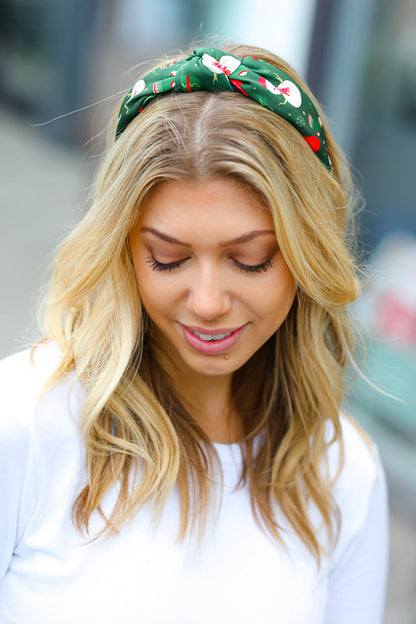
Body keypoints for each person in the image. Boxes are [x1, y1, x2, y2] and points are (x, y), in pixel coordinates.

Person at [0, 43, 388, 623]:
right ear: (123, 249)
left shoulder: (342, 475)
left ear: (311, 256)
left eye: (251, 260)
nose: (207, 303)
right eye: (167, 258)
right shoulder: (26, 424)